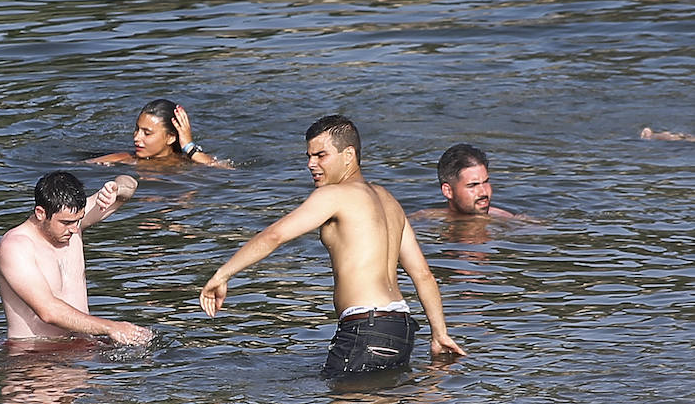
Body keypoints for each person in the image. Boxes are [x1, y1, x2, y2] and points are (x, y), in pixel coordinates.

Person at [200, 115, 465, 377]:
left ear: (348, 155)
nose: (311, 164)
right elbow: (422, 274)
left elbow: (274, 236)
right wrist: (439, 333)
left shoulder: (333, 195)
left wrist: (222, 275)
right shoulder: (389, 199)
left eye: (320, 155)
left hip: (365, 327)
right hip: (401, 328)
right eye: (308, 156)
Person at [0, 171, 152, 345]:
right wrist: (111, 327)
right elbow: (48, 311)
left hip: (81, 345)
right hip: (33, 353)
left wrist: (116, 190)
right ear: (41, 213)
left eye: (78, 220)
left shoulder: (73, 221)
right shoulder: (15, 246)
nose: (74, 229)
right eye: (66, 223)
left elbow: (130, 184)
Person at [85, 99, 229, 167]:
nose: (136, 138)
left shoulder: (188, 162)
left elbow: (228, 171)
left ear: (170, 137)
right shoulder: (125, 159)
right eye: (137, 129)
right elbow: (78, 166)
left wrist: (190, 148)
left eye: (147, 133)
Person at [421, 143, 514, 218]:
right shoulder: (422, 221)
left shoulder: (508, 221)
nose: (484, 192)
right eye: (473, 185)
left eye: (486, 182)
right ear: (448, 191)